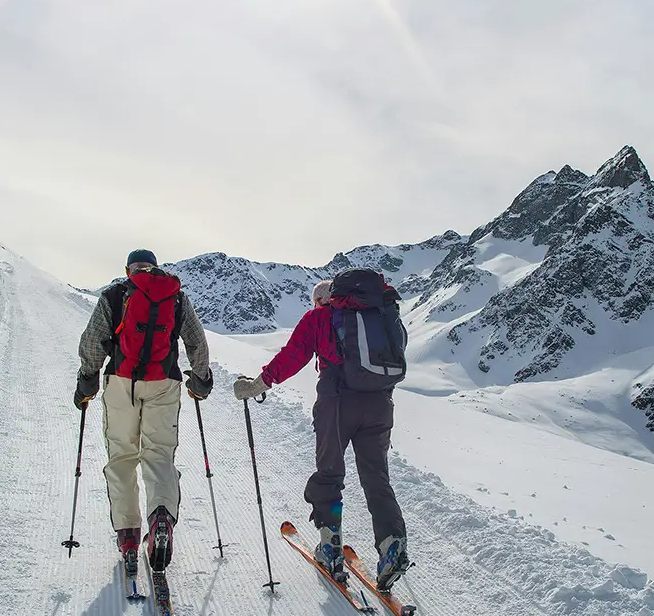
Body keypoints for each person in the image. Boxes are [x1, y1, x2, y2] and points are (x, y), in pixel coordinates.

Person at [233, 269, 409, 591]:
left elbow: (291, 357)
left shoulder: (318, 319)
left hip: (338, 403)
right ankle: (392, 545)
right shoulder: (380, 315)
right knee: (376, 478)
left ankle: (330, 545)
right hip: (380, 405)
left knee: (329, 474)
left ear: (321, 300)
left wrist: (256, 385)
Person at [75, 249, 212, 577]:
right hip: (164, 383)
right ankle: (160, 517)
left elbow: (93, 340)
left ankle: (128, 537)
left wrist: (87, 380)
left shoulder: (115, 294)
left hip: (121, 383)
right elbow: (196, 342)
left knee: (122, 457)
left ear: (128, 269)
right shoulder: (176, 297)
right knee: (159, 456)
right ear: (155, 267)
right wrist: (201, 378)